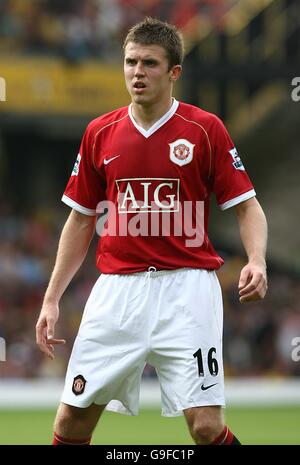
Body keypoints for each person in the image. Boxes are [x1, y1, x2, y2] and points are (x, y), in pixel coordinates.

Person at [36, 17, 268, 446]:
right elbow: (81, 220)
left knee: (205, 425)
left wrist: (256, 259)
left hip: (187, 291)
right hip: (117, 292)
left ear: (174, 72)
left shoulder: (204, 129)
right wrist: (52, 298)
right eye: (130, 62)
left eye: (149, 63)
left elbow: (247, 206)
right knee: (71, 422)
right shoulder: (99, 133)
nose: (137, 72)